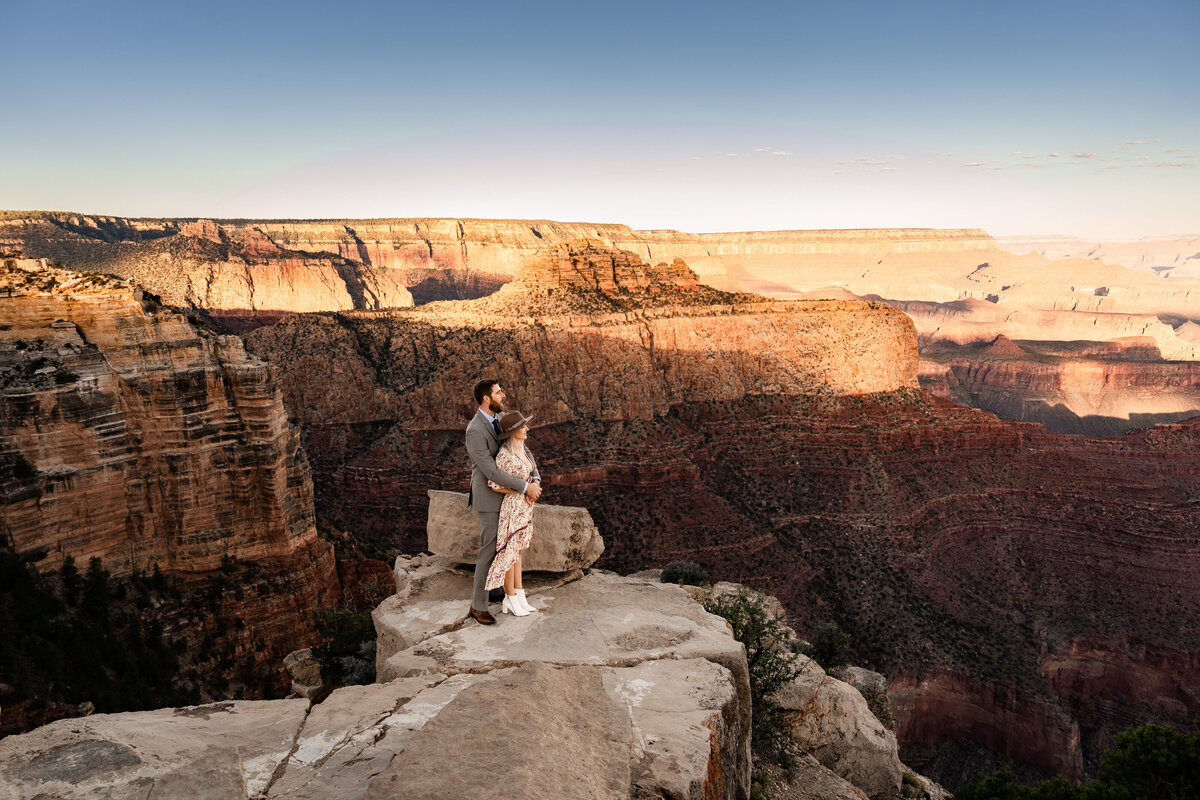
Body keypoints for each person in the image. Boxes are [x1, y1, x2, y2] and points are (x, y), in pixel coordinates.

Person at [465, 380, 541, 624]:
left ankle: (501, 591)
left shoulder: (500, 419)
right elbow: (491, 471)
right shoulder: (475, 430)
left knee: (509, 547)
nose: (503, 395)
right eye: (498, 392)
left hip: (511, 498)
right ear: (486, 398)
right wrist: (525, 487)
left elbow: (522, 449)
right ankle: (478, 606)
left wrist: (535, 477)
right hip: (490, 497)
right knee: (489, 550)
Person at [485, 410, 540, 616]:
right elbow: (495, 485)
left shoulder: (522, 450)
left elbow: (532, 473)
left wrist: (535, 486)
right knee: (509, 555)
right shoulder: (504, 456)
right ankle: (510, 598)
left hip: (525, 507)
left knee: (518, 553)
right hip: (513, 508)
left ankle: (519, 595)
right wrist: (522, 490)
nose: (527, 429)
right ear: (513, 431)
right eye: (523, 427)